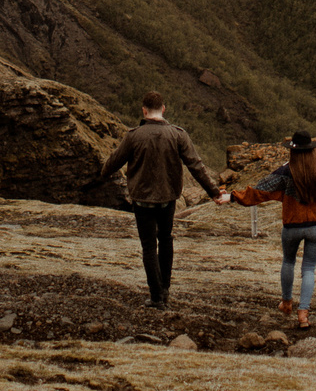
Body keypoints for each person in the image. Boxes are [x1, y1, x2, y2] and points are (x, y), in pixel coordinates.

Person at [96, 91, 228, 308]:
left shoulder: (133, 136)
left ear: (144, 110)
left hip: (141, 200)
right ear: (163, 109)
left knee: (148, 246)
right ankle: (164, 290)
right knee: (165, 239)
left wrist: (102, 174)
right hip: (168, 199)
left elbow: (113, 163)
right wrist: (214, 193)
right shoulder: (178, 135)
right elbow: (196, 166)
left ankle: (156, 296)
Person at [230, 129, 316, 328]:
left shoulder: (286, 171)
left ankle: (287, 303)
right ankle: (303, 314)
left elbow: (260, 190)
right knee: (309, 269)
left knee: (288, 262)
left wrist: (232, 196)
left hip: (292, 226)